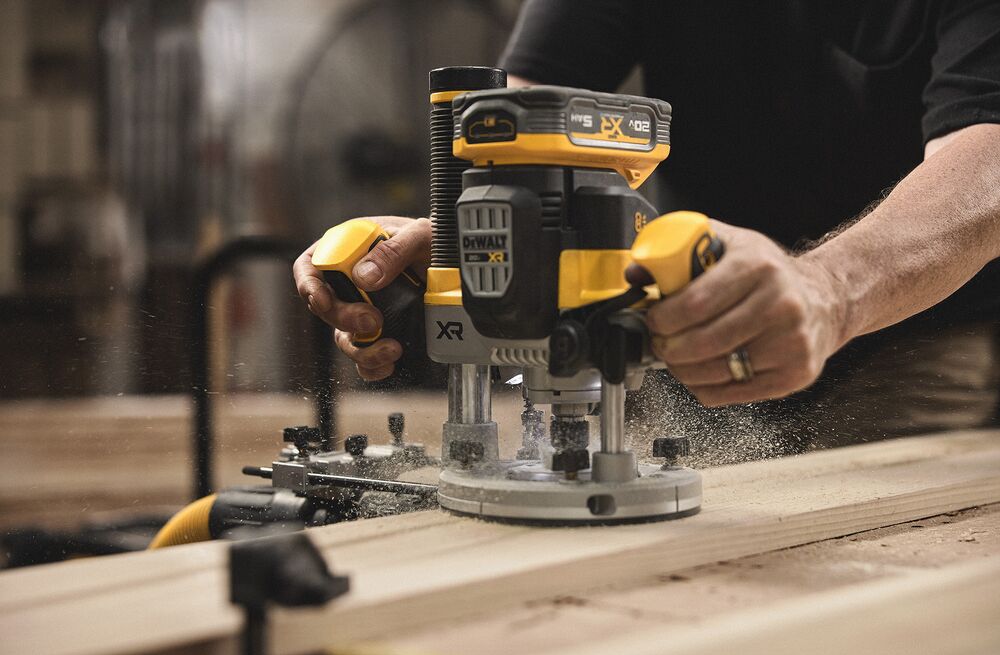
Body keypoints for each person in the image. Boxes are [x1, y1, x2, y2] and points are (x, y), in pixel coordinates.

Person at [295, 1, 1000, 456]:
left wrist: (831, 289)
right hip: (679, 317)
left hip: (905, 325)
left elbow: (987, 152)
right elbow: (516, 122)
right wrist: (453, 245)